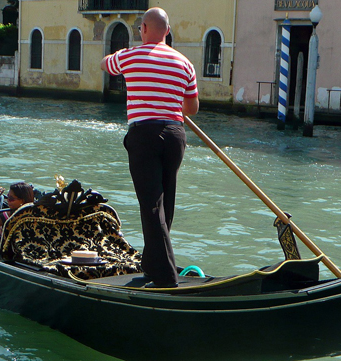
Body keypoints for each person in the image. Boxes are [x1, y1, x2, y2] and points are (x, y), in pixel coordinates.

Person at [100, 7, 199, 288]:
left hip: (144, 135)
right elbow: (191, 108)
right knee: (166, 204)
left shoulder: (131, 56)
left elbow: (106, 64)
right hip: (175, 134)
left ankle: (167, 277)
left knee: (151, 206)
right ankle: (153, 267)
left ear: (142, 29)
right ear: (168, 31)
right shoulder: (184, 63)